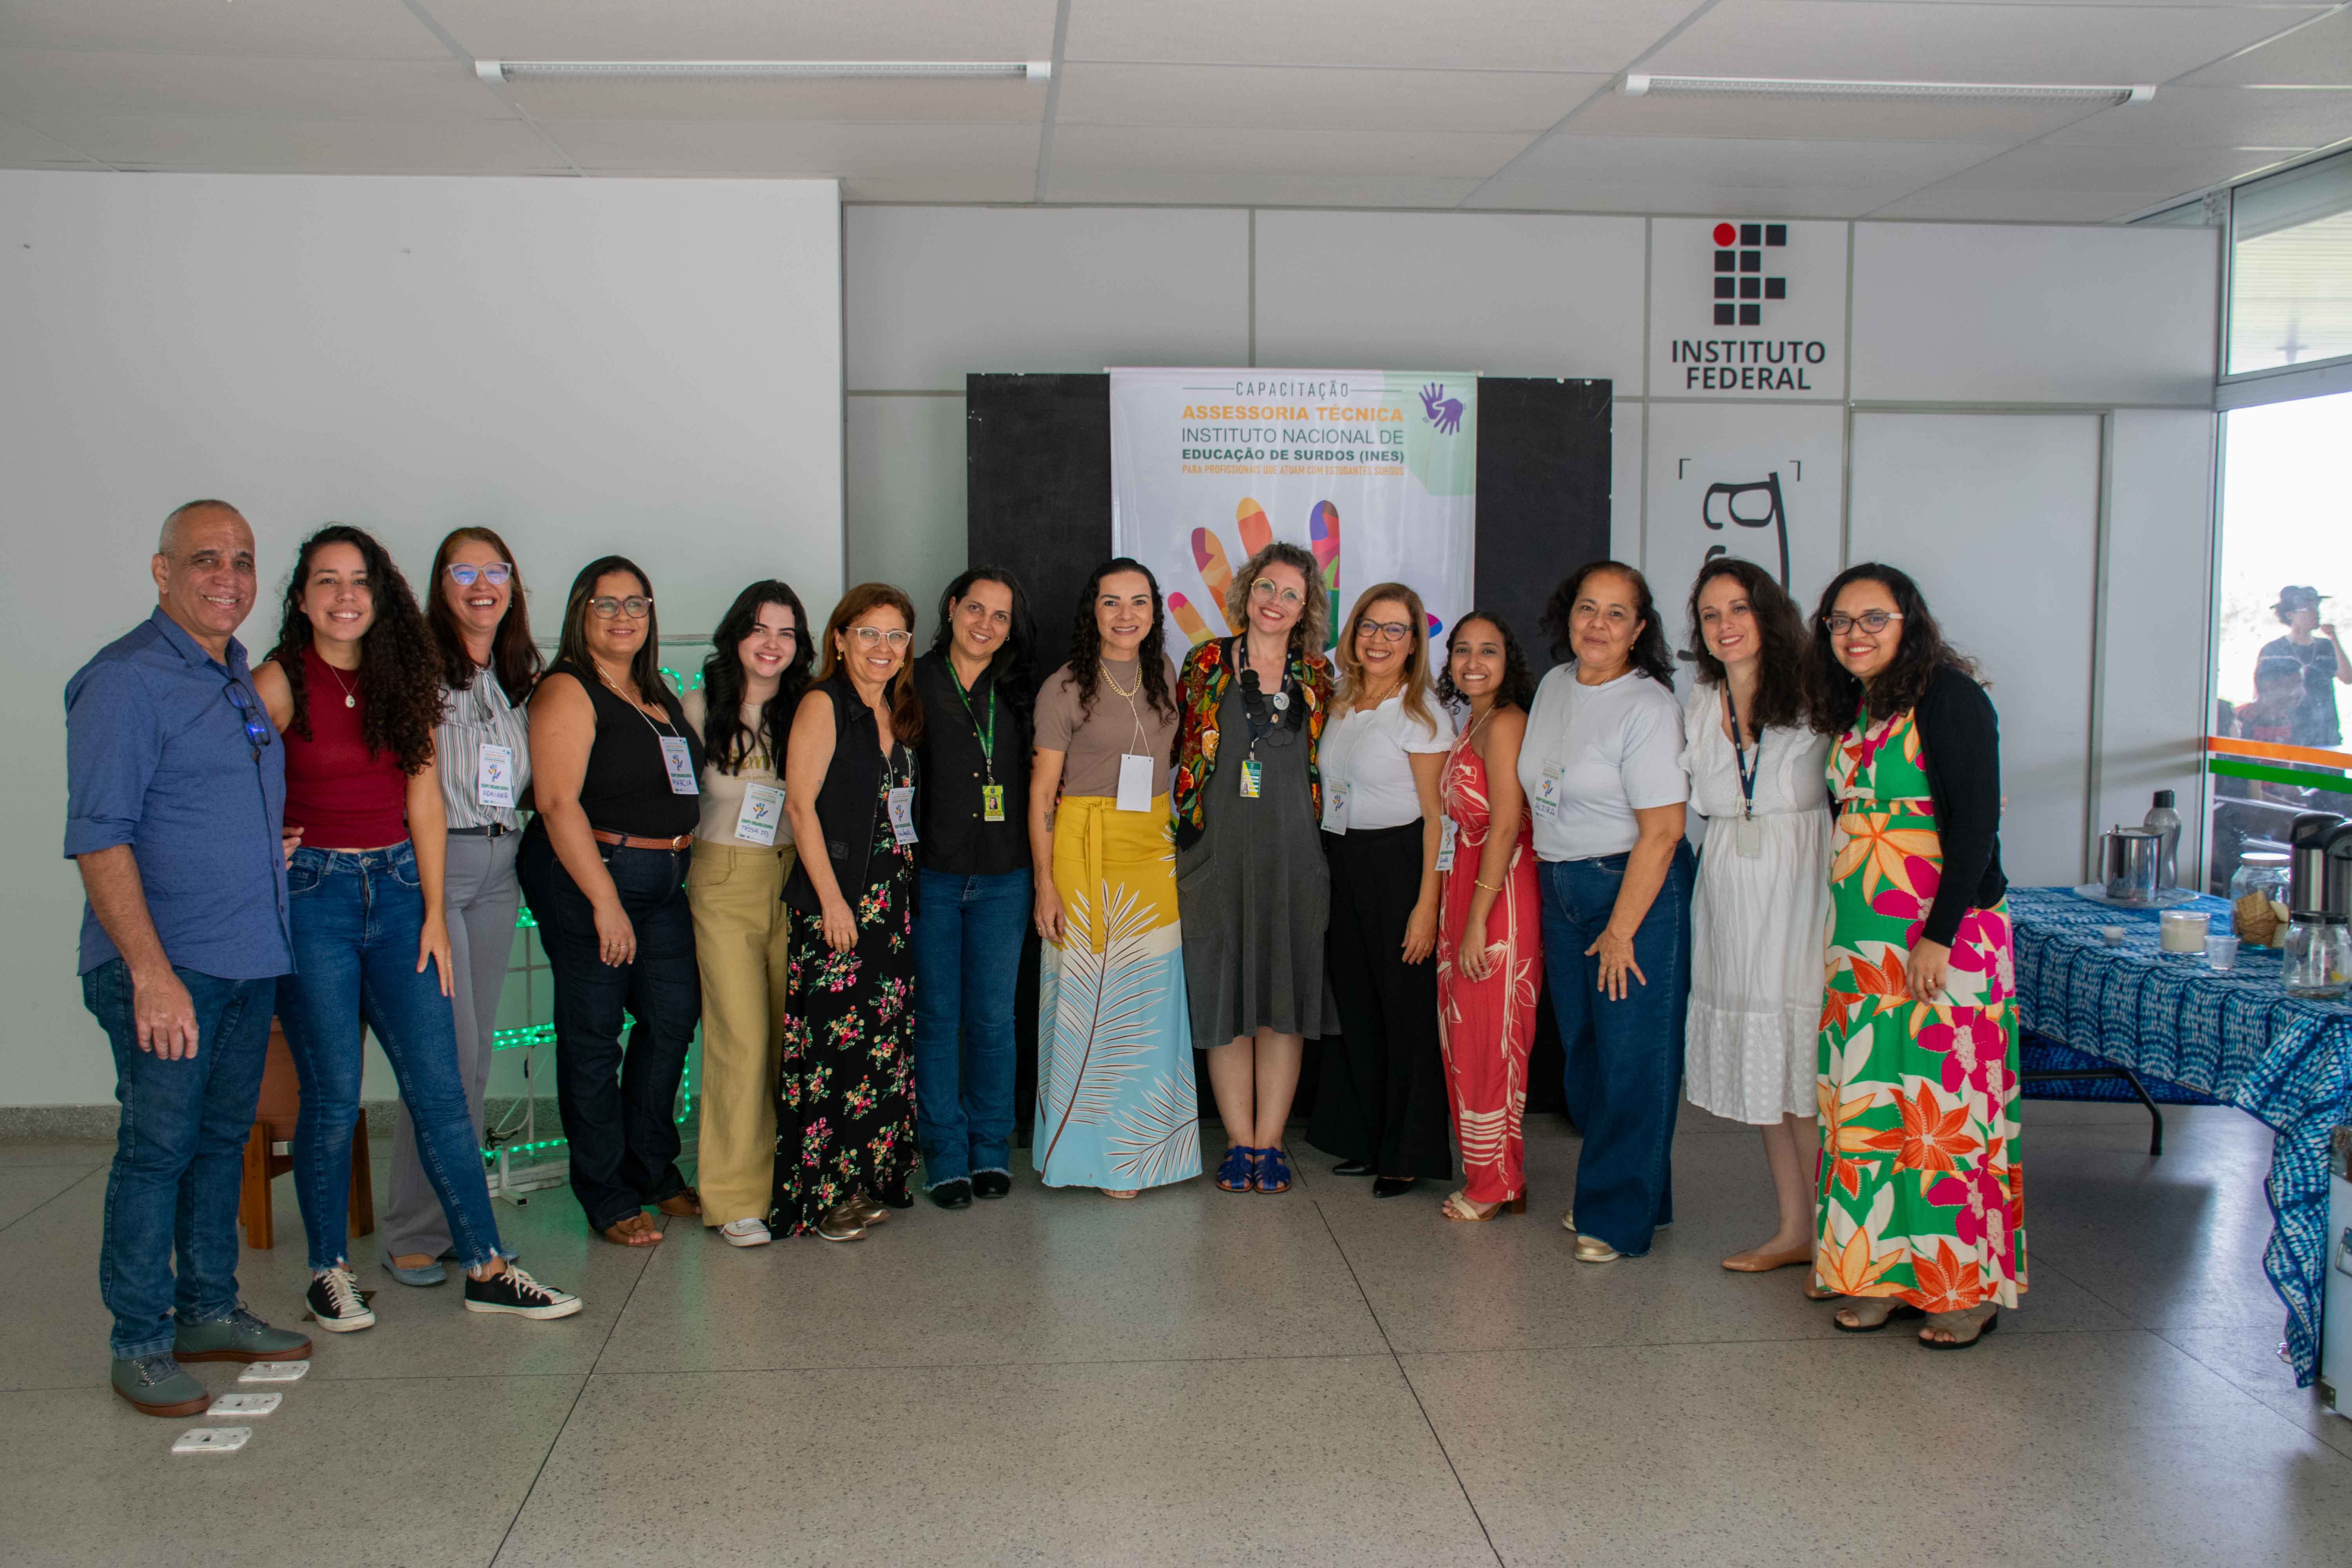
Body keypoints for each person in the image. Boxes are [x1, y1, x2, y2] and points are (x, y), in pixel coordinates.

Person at [257, 524, 578, 1328]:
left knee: (443, 1084)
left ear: (382, 593)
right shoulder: (280, 679)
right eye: (327, 581)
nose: (345, 596)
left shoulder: (403, 677)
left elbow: (422, 796)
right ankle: (329, 1270)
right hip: (317, 895)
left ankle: (486, 1264)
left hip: (405, 889)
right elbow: (220, 772)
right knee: (334, 1095)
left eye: (359, 580)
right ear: (302, 597)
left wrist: (433, 911)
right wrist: (259, 842)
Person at [67, 500, 313, 1414]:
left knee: (218, 1144)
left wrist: (258, 849)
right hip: (169, 969)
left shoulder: (235, 672)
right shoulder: (125, 679)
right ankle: (139, 1338)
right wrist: (149, 973)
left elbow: (195, 805)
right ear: (162, 570)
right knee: (158, 1150)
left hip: (246, 957)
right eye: (206, 558)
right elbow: (101, 836)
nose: (228, 576)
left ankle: (207, 1308)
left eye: (243, 560)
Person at [1806, 564, 2021, 1347]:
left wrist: (1939, 933)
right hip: (1864, 942)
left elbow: (1976, 827)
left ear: (1910, 622)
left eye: (1874, 618)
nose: (1855, 634)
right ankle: (1879, 1274)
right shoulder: (1858, 706)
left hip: (1944, 936)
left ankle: (1963, 1290)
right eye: (1840, 621)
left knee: (1944, 1115)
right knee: (1871, 1111)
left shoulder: (1951, 697)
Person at [519, 557, 704, 1248]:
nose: (623, 616)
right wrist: (604, 901)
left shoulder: (654, 692)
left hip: (663, 881)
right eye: (607, 604)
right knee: (594, 1037)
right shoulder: (568, 690)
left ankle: (651, 1167)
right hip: (592, 877)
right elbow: (556, 801)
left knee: (672, 1018)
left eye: (636, 603)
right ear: (580, 613)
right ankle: (607, 1194)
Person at [379, 526, 541, 1288]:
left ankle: (459, 1220)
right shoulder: (416, 671)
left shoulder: (512, 676)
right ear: (440, 585)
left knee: (473, 1060)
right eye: (464, 571)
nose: (482, 585)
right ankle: (415, 1230)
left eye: (495, 570)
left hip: (500, 867)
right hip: (438, 869)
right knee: (444, 1057)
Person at [1519, 561, 1692, 1264]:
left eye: (1617, 614)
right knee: (1589, 1055)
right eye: (1588, 608)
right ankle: (1643, 1192)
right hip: (1561, 885)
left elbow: (1665, 830)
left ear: (1639, 629)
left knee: (1632, 1055)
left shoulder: (1649, 706)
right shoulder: (1556, 685)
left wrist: (1622, 930)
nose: (1598, 624)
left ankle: (1617, 1217)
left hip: (1632, 889)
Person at [1679, 559, 1832, 1272]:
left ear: (1767, 614)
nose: (1725, 625)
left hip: (1802, 887)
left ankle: (1841, 1242)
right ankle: (1795, 1229)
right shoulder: (1698, 702)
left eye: (1738, 609)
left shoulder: (1814, 692)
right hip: (1730, 894)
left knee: (1808, 1074)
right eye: (1711, 615)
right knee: (1771, 1074)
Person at [1029, 560, 1198, 1199]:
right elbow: (1042, 796)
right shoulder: (1065, 687)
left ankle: (1145, 1150)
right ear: (1092, 611)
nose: (1126, 615)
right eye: (1111, 602)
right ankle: (1093, 1157)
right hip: (1085, 847)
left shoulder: (1164, 674)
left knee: (1150, 995)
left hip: (1152, 846)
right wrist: (1045, 885)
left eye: (1138, 602)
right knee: (1091, 1001)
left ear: (1154, 611)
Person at [1172, 541, 1332, 1197]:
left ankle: (1271, 1145)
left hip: (1293, 860)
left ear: (1306, 608)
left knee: (1281, 1006)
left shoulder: (1318, 676)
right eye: (1267, 587)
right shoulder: (1206, 662)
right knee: (1225, 1000)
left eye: (1291, 593)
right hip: (1217, 857)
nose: (1275, 602)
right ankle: (1239, 1144)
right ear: (1246, 590)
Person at [772, 584, 924, 1241]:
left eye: (895, 636)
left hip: (891, 903)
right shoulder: (823, 703)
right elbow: (800, 806)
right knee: (836, 1050)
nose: (882, 648)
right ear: (840, 639)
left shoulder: (894, 707)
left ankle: (865, 1179)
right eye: (868, 633)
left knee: (879, 1049)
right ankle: (823, 1196)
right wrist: (833, 900)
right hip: (839, 903)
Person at [1307, 583, 1455, 1199]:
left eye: (1396, 629)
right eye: (1370, 625)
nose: (1379, 639)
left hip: (1401, 867)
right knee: (1359, 1009)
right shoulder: (1340, 699)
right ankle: (1369, 1139)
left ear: (1414, 643)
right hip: (1342, 861)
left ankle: (1408, 1152)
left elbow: (1439, 820)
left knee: (1405, 1015)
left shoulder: (1422, 715)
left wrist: (1427, 907)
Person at [681, 581, 813, 1247]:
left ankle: (791, 1184)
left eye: (786, 632)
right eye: (760, 629)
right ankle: (735, 1197)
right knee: (739, 1037)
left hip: (794, 878)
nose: (772, 644)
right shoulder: (698, 707)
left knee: (792, 1037)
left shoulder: (808, 709)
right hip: (723, 880)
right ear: (737, 635)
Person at [912, 567, 1036, 1208]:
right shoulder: (912, 682)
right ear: (952, 608)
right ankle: (944, 1154)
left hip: (1004, 879)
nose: (985, 624)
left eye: (1000, 616)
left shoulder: (1017, 691)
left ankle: (990, 1148)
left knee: (992, 1021)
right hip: (932, 877)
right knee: (936, 1022)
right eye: (976, 609)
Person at [1431, 611, 1540, 1223]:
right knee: (1468, 1039)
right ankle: (1498, 1175)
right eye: (1463, 650)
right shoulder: (1472, 721)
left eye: (1488, 651)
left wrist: (1477, 919)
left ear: (1508, 660)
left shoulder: (1507, 723)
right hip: (1466, 890)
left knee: (1494, 1040)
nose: (1473, 662)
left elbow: (1504, 826)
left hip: (1498, 897)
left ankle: (1495, 1184)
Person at [2259, 586, 2350, 750]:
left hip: (2327, 735)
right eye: (2309, 609)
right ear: (2290, 615)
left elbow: (2348, 678)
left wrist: (2334, 639)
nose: (2316, 613)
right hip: (2288, 736)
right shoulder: (2273, 650)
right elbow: (2261, 694)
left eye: (2317, 608)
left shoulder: (2326, 646)